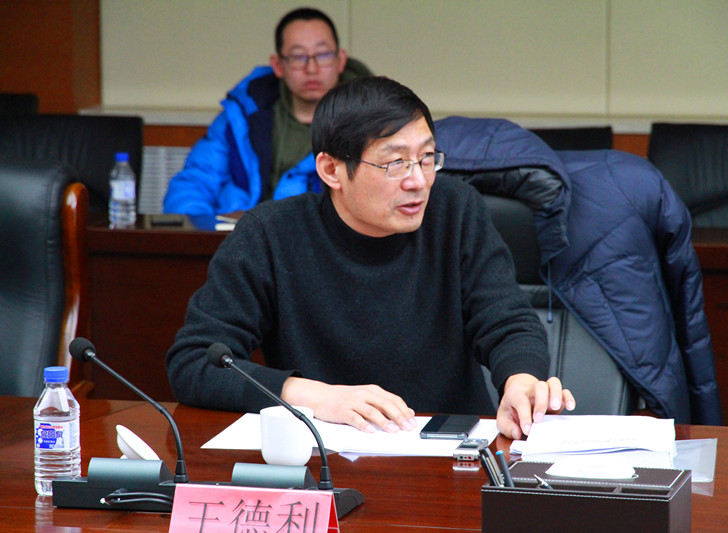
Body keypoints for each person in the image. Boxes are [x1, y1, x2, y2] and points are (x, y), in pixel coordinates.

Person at [166, 76, 575, 440]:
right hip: (324, 458)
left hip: (449, 448)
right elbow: (195, 362)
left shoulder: (456, 210)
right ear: (331, 170)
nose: (418, 180)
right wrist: (314, 396)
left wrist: (520, 379)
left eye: (427, 158)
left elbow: (507, 320)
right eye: (395, 163)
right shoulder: (271, 235)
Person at [162, 7, 372, 216]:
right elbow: (194, 183)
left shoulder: (371, 124)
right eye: (298, 57)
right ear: (278, 65)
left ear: (340, 60)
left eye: (323, 55)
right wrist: (204, 230)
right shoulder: (243, 113)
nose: (311, 69)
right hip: (239, 233)